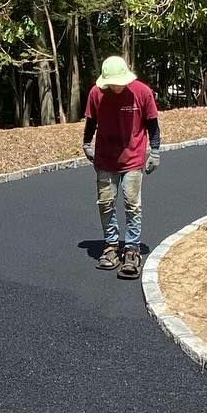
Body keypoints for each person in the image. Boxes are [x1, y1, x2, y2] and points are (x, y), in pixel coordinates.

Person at [83, 55, 161, 280]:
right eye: (112, 83)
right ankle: (110, 246)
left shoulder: (142, 92)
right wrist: (87, 144)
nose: (116, 86)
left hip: (133, 157)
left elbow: (152, 125)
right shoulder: (96, 94)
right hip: (106, 157)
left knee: (131, 204)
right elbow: (91, 122)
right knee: (105, 203)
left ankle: (132, 249)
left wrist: (154, 151)